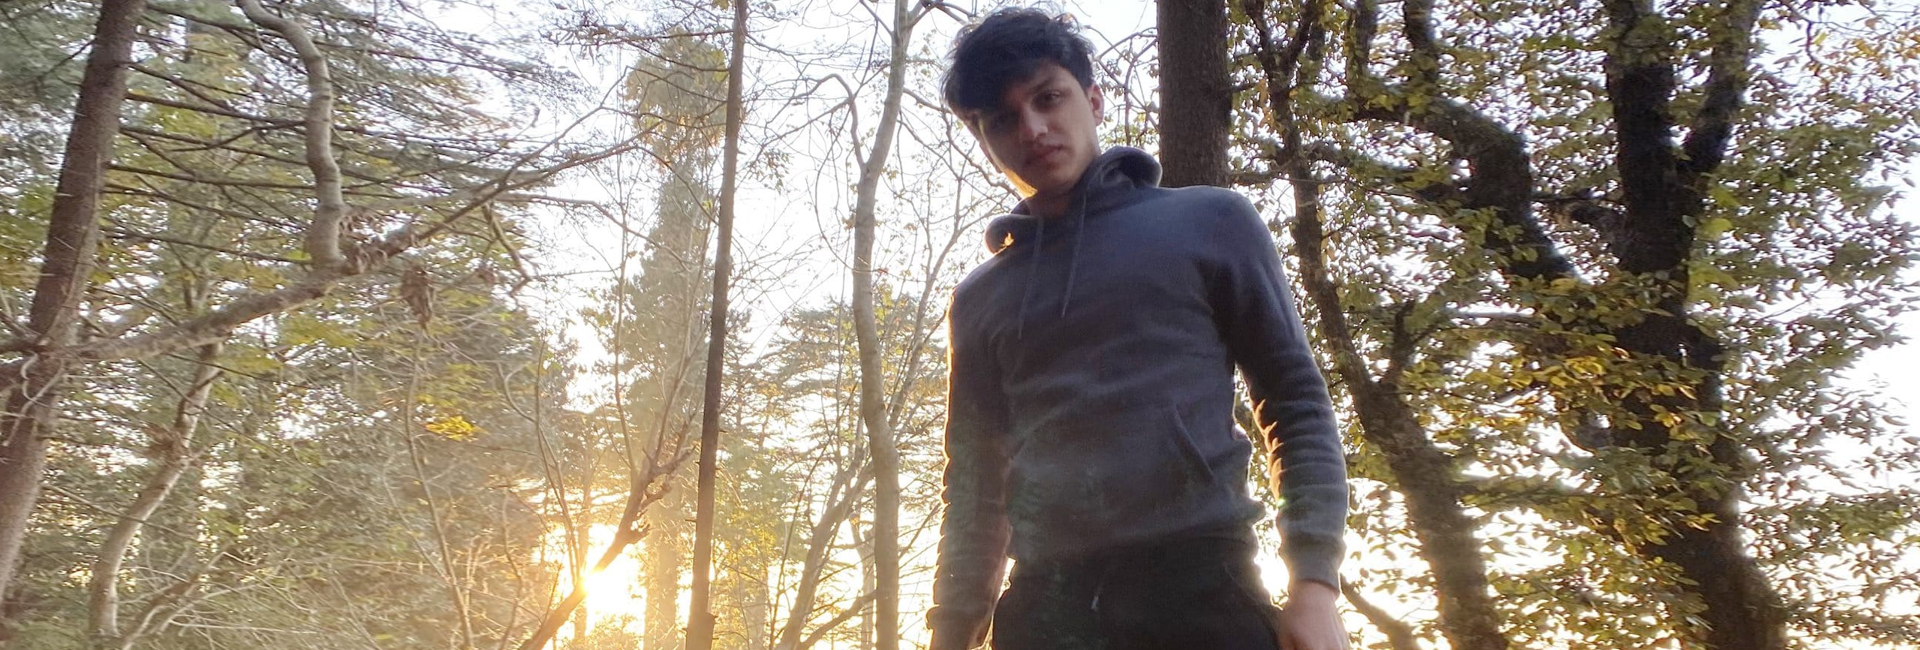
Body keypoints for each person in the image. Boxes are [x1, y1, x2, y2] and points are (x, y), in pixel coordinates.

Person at [927, 7, 1350, 650]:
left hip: (1204, 591)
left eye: (1048, 98)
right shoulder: (980, 299)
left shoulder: (1211, 223)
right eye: (1002, 120)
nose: (1033, 129)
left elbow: (1294, 402)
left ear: (1093, 100)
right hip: (1045, 612)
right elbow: (975, 484)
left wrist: (1314, 585)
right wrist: (952, 631)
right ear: (984, 142)